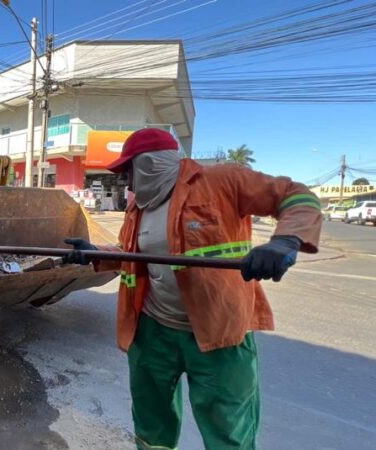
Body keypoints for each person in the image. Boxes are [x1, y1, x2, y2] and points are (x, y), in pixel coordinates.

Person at [64, 128, 322, 450]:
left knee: (228, 430)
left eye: (129, 171)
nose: (127, 183)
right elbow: (132, 254)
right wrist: (94, 253)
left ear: (150, 164)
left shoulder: (223, 181)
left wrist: (286, 240)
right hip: (152, 331)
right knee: (151, 420)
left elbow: (296, 195)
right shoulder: (140, 205)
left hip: (218, 336)